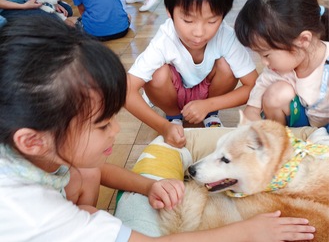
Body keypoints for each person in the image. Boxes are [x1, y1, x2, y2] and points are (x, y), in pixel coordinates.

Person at [0, 15, 316, 242]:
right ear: (31, 141)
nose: (115, 132)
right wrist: (248, 233)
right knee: (92, 208)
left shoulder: (29, 144)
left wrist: (149, 186)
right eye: (102, 125)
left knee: (87, 173)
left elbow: (97, 170)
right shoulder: (29, 210)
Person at [125, 0, 259, 148]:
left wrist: (208, 105)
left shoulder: (226, 36)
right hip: (173, 94)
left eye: (212, 21)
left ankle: (211, 114)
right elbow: (126, 90)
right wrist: (163, 127)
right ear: (169, 12)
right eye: (188, 20)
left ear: (223, 15)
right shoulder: (164, 40)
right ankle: (173, 117)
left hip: (209, 93)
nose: (199, 32)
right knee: (157, 74)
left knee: (228, 67)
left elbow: (256, 87)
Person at [234, 0, 329, 133]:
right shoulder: (280, 68)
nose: (264, 62)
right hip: (302, 124)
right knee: (276, 94)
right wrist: (252, 112)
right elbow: (259, 91)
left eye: (266, 54)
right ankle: (280, 138)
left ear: (303, 40)